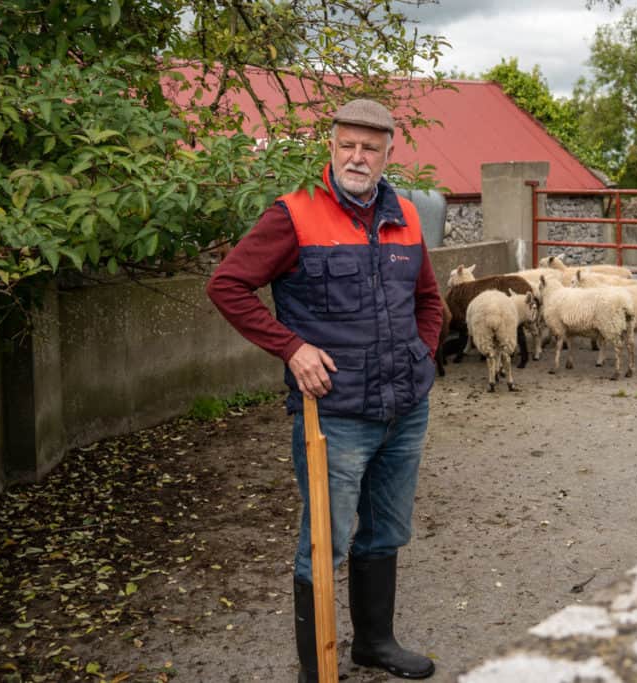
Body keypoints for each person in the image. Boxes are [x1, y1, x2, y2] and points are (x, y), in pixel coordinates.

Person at [207, 98, 443, 681]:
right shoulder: (294, 215)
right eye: (347, 145)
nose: (357, 157)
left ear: (390, 152)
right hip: (334, 416)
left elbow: (429, 300)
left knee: (386, 529)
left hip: (404, 409)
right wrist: (291, 347)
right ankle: (319, 669)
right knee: (324, 543)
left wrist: (421, 358)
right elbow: (228, 284)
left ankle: (375, 643)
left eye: (370, 147)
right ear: (331, 147)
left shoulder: (407, 215)